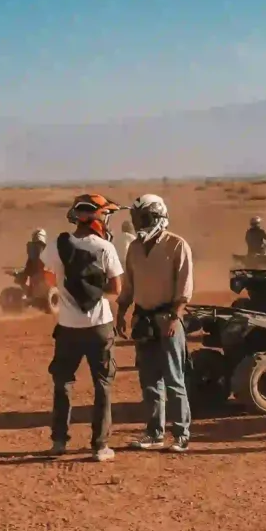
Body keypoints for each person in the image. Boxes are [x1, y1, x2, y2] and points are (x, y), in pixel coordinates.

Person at [48, 193, 125, 461]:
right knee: (103, 384)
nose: (106, 220)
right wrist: (93, 292)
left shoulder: (58, 246)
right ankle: (100, 445)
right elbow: (116, 289)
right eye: (104, 215)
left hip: (68, 326)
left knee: (63, 383)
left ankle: (59, 441)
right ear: (94, 217)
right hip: (99, 326)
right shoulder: (105, 248)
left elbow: (46, 280)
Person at [118, 193, 195, 452]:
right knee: (149, 380)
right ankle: (154, 434)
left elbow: (185, 287)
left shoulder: (177, 245)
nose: (139, 223)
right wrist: (121, 312)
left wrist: (175, 317)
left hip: (168, 319)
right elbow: (128, 285)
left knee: (174, 379)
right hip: (143, 319)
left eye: (144, 217)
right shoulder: (134, 248)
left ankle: (182, 435)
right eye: (136, 217)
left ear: (158, 216)